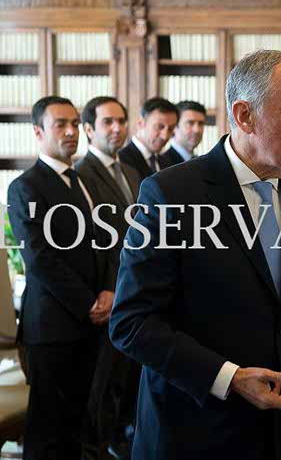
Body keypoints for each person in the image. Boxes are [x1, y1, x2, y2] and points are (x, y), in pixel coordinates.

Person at [109, 50, 281, 460]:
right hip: (192, 433)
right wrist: (230, 378)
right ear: (245, 115)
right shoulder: (170, 194)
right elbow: (132, 322)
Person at [8, 96, 114, 460]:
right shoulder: (25, 186)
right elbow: (39, 258)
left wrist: (109, 290)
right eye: (60, 125)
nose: (71, 132)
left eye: (74, 124)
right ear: (38, 132)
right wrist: (88, 303)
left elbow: (105, 242)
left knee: (78, 425)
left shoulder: (83, 180)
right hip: (52, 326)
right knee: (47, 431)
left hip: (93, 322)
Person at [76, 96, 142, 460]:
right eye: (107, 122)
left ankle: (120, 442)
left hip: (134, 294)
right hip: (104, 293)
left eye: (121, 120)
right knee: (98, 390)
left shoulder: (131, 172)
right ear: (89, 129)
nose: (117, 128)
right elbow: (95, 242)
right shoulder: (81, 175)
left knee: (126, 382)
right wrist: (110, 287)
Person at [118, 97, 179, 180]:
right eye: (159, 127)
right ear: (140, 123)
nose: (165, 136)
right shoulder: (121, 160)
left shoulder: (168, 161)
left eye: (170, 129)